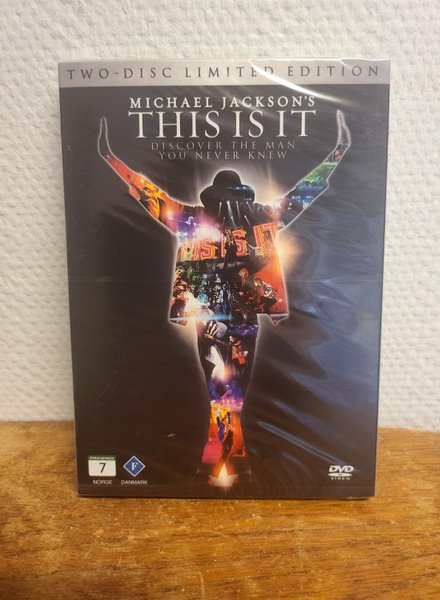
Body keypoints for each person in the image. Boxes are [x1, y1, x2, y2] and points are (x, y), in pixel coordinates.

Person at [98, 111, 351, 486]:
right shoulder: (251, 216)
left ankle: (219, 461)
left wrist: (112, 159)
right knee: (226, 388)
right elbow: (301, 194)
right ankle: (231, 464)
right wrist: (336, 153)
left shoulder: (204, 219)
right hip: (223, 316)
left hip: (226, 316)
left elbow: (151, 197)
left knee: (225, 388)